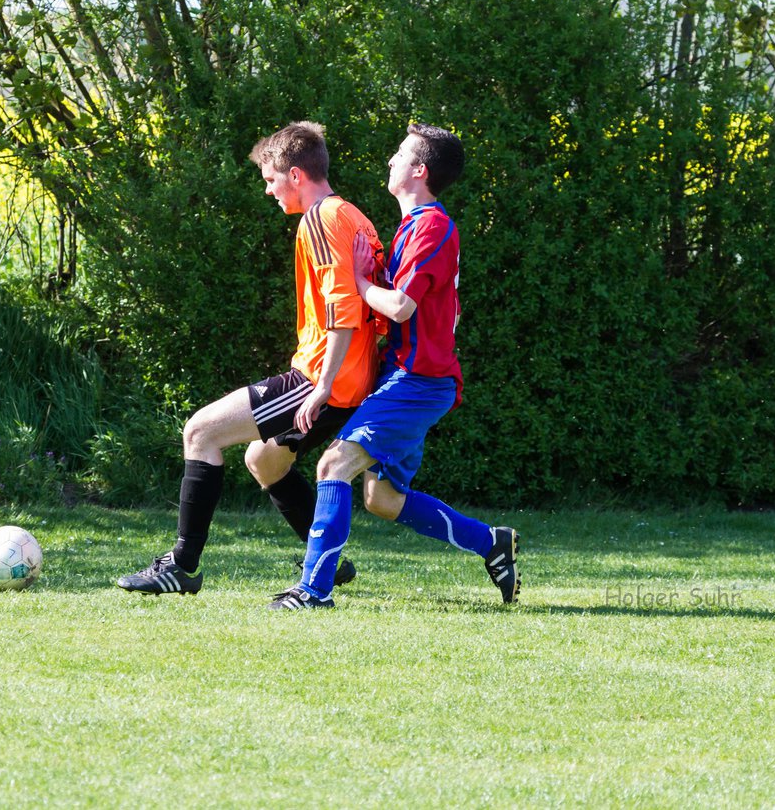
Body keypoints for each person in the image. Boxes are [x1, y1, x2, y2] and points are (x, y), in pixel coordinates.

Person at [117, 121, 383, 595]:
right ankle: (326, 560)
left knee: (200, 431)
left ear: (296, 175)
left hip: (323, 376)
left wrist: (321, 384)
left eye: (270, 179)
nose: (268, 190)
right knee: (264, 461)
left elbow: (343, 305)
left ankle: (181, 566)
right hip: (352, 379)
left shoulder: (319, 218)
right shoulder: (353, 216)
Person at [269, 123, 520, 610]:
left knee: (332, 464)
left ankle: (313, 592)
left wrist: (360, 281)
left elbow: (400, 306)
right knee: (382, 500)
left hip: (419, 380)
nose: (390, 160)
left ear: (419, 171)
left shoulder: (432, 226)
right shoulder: (412, 227)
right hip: (403, 377)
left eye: (400, 155)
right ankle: (493, 543)